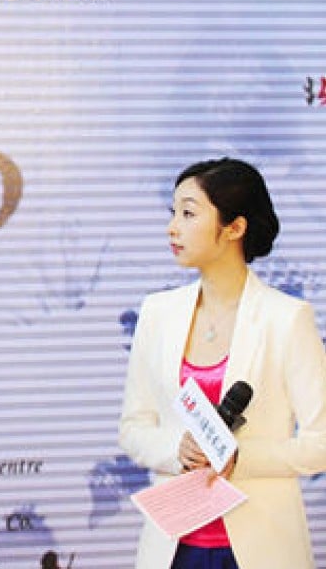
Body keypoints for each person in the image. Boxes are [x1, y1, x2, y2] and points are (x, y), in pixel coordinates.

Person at [119, 157, 326, 569]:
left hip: (259, 548)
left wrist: (240, 459)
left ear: (234, 228)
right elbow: (133, 429)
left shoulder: (286, 318)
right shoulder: (158, 313)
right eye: (173, 212)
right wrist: (176, 448)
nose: (172, 227)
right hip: (173, 547)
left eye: (189, 213)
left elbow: (320, 444)